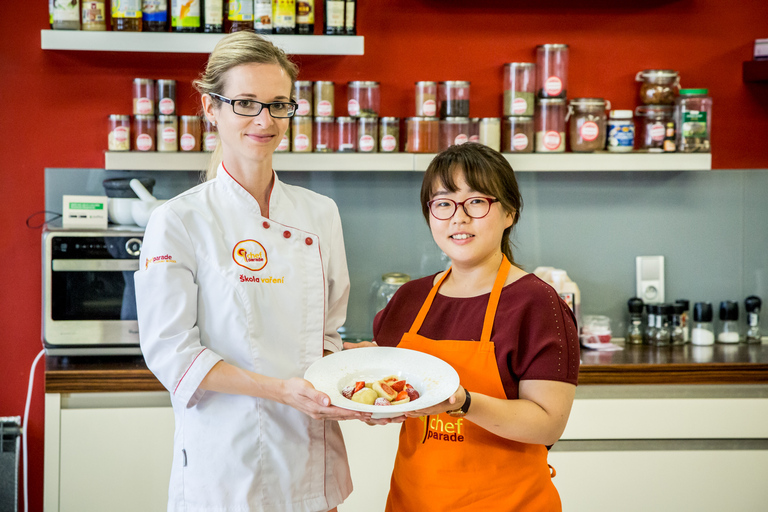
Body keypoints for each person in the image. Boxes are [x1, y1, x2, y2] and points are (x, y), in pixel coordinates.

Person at [134, 31, 368, 512]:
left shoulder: (320, 213)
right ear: (210, 108)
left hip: (310, 460)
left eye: (278, 105)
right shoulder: (179, 220)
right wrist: (283, 390)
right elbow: (174, 354)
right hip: (225, 463)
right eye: (245, 103)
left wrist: (355, 387)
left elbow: (327, 335)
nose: (264, 120)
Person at [346, 142, 580, 511]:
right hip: (414, 501)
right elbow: (397, 387)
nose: (458, 217)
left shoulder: (537, 303)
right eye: (443, 203)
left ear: (509, 213)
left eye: (476, 202)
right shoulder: (410, 298)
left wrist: (464, 402)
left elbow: (547, 424)